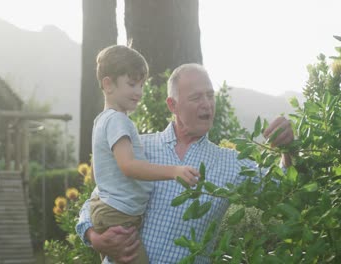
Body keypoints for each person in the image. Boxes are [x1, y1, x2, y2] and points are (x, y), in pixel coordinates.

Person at [76, 63, 294, 263]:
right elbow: (97, 199)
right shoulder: (136, 149)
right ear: (173, 105)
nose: (207, 104)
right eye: (196, 97)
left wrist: (287, 150)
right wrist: (93, 237)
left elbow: (284, 185)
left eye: (210, 95)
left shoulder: (230, 163)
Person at [88, 46, 200, 264]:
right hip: (120, 215)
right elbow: (128, 166)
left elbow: (95, 175)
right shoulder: (117, 120)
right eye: (131, 84)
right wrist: (174, 171)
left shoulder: (102, 121)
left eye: (141, 84)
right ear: (108, 84)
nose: (139, 92)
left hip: (112, 212)